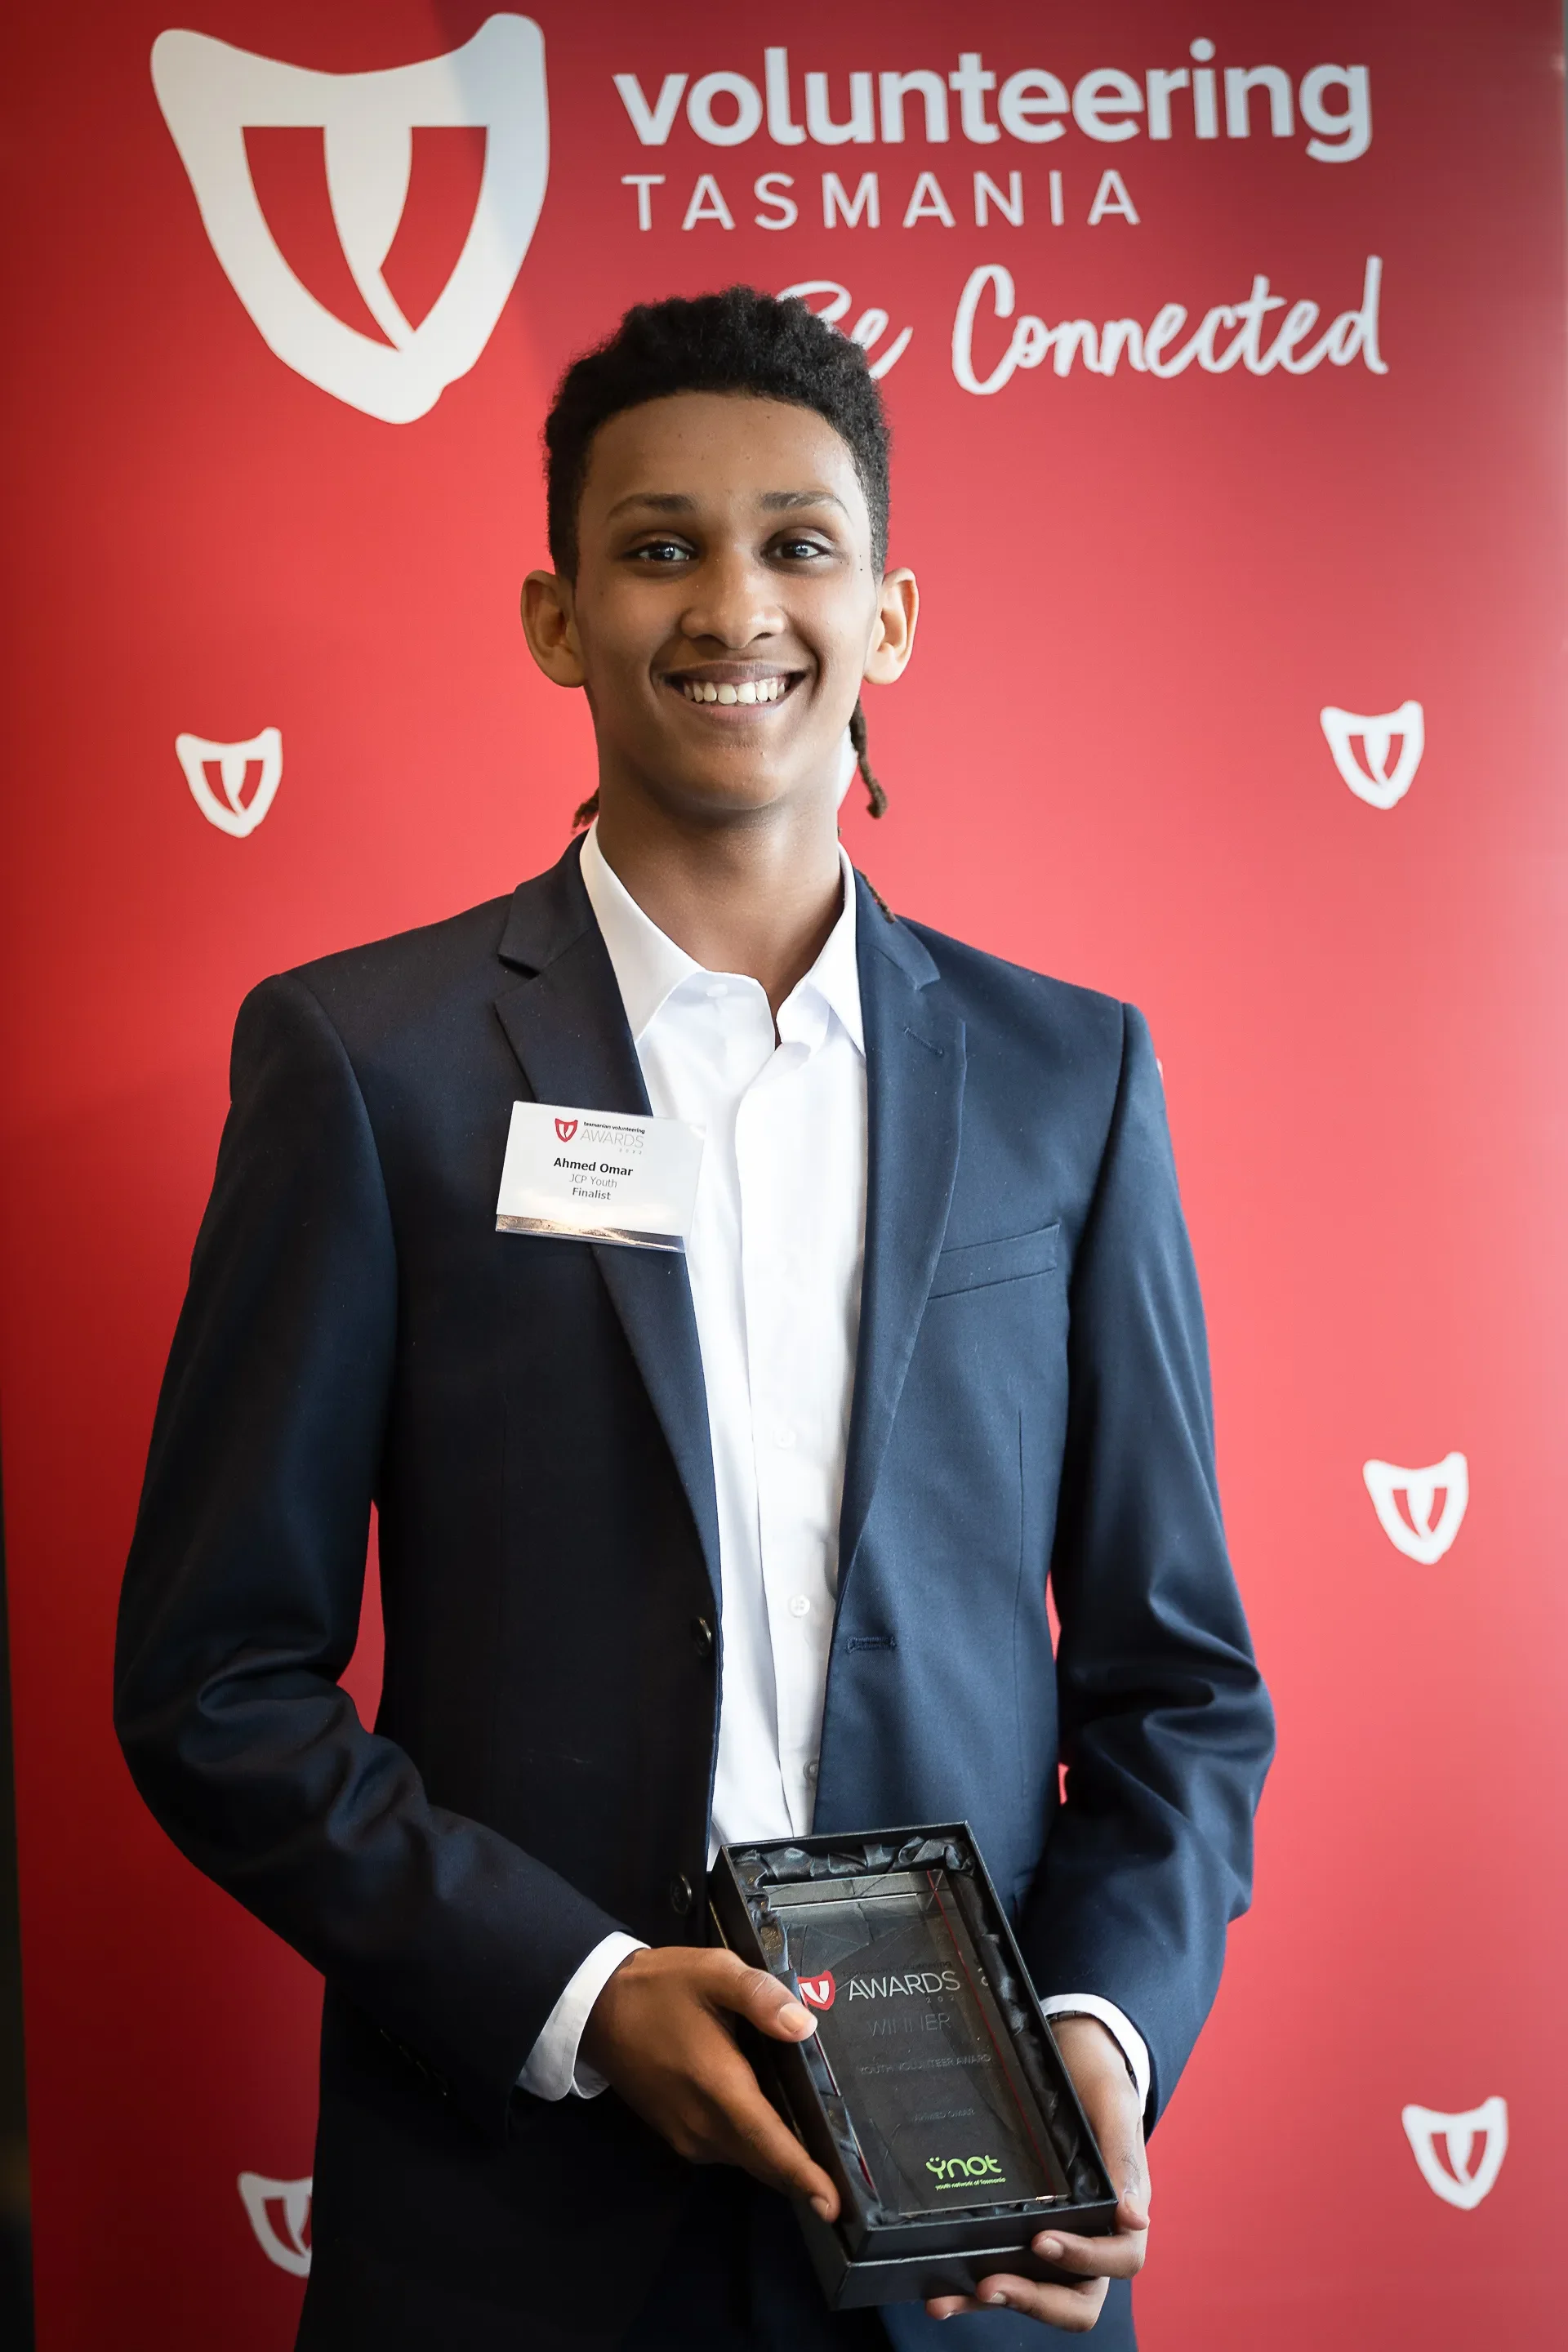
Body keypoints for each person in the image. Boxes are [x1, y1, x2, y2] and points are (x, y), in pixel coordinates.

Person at [115, 289, 1273, 2350]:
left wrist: (1098, 2026)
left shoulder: (1067, 1078)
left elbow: (1180, 1685)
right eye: (658, 546)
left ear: (892, 615)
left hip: (969, 2215)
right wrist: (577, 1997)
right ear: (560, 617)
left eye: (796, 543)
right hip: (511, 2213)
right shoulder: (366, 1063)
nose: (732, 602)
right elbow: (220, 1686)